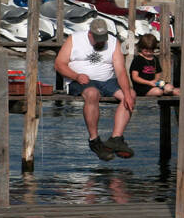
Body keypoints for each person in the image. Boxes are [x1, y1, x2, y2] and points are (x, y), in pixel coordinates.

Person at [54, 17, 137, 161]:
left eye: (102, 38)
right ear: (90, 34)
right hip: (81, 81)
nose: (101, 42)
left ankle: (116, 139)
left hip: (107, 81)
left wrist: (127, 92)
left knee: (130, 94)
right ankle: (94, 140)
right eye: (97, 38)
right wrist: (76, 76)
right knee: (92, 93)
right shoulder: (74, 39)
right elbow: (59, 64)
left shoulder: (113, 42)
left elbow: (120, 71)